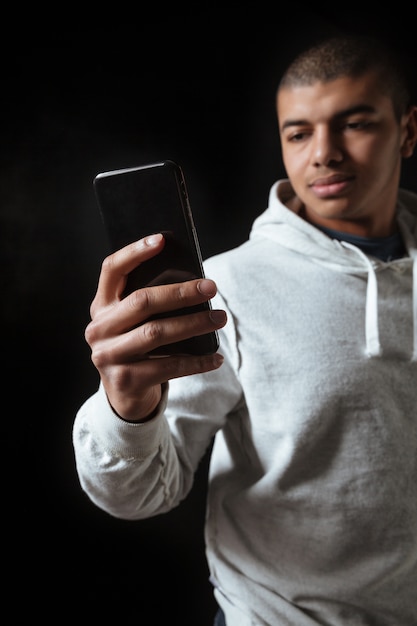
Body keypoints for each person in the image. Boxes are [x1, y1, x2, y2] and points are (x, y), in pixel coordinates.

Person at [73, 33, 417, 625]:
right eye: (299, 132)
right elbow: (141, 493)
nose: (324, 154)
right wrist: (125, 405)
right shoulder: (225, 288)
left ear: (408, 131)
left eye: (355, 123)